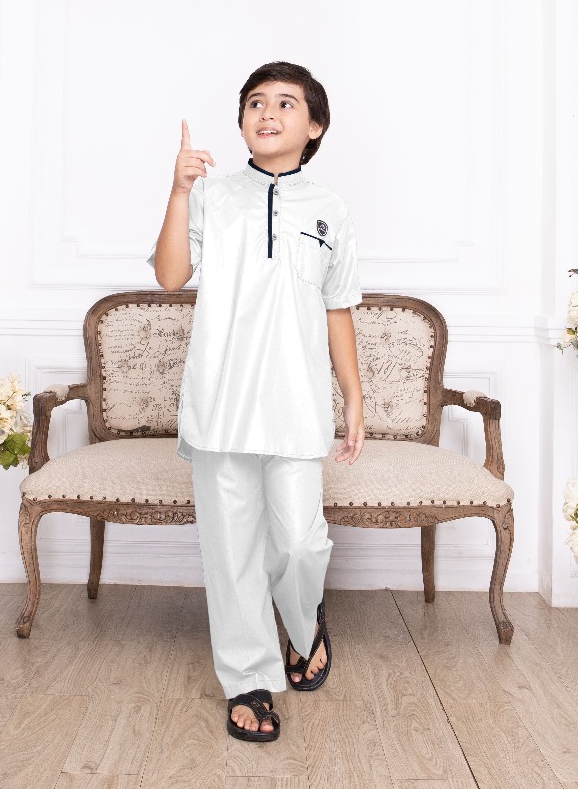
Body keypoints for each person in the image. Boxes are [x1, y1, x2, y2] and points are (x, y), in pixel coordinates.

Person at [148, 61, 365, 743]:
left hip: (297, 405)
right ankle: (248, 680)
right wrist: (179, 191)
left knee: (300, 544)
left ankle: (303, 623)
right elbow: (171, 277)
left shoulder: (330, 208)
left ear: (315, 126)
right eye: (255, 103)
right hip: (219, 404)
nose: (267, 113)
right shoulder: (210, 195)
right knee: (232, 554)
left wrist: (353, 398)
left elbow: (337, 308)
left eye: (285, 103)